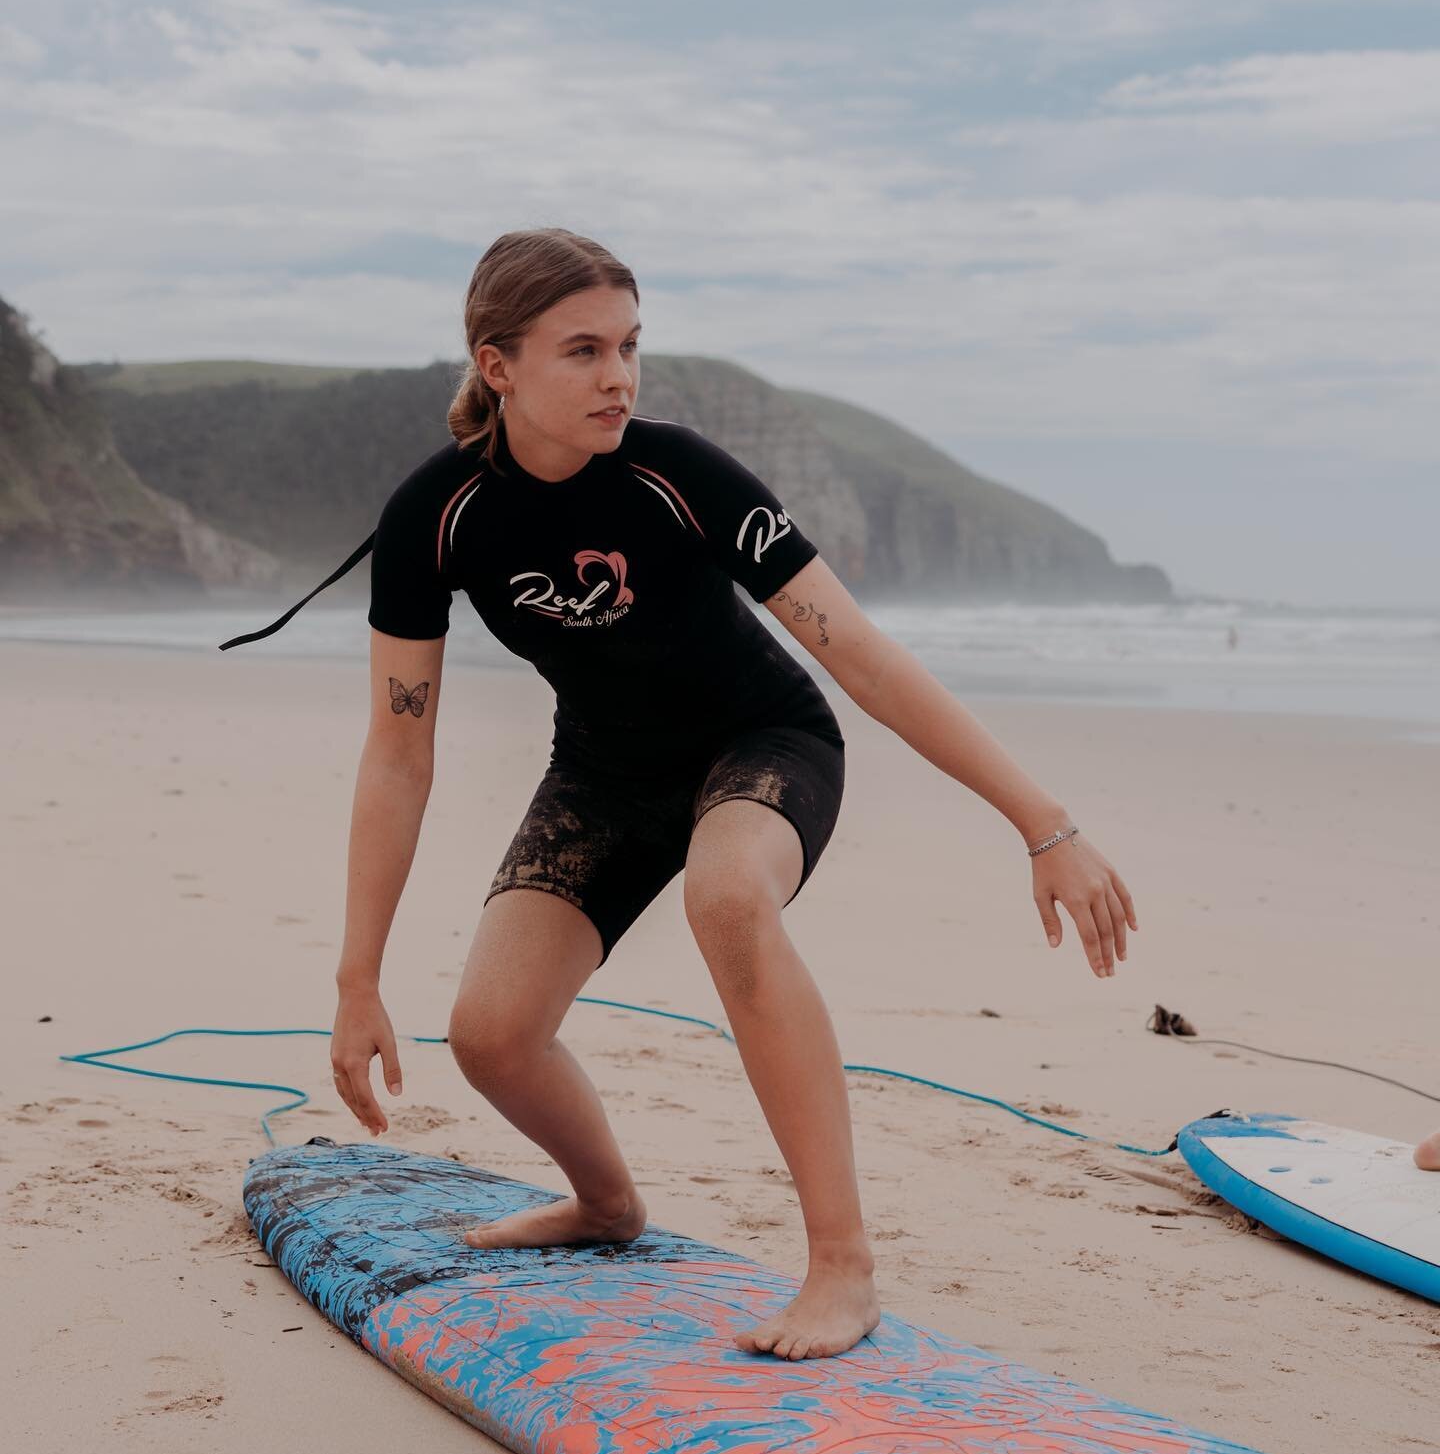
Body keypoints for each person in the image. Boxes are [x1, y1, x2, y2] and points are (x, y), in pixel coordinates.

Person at [240, 227, 1138, 1362]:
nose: (618, 375)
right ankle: (606, 1202)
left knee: (728, 898)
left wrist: (1043, 823)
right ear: (498, 364)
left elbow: (859, 656)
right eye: (582, 350)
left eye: (629, 345)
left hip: (761, 743)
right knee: (492, 1034)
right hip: (607, 770)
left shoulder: (680, 474)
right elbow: (399, 749)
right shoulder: (437, 516)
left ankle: (843, 1264)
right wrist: (357, 975)